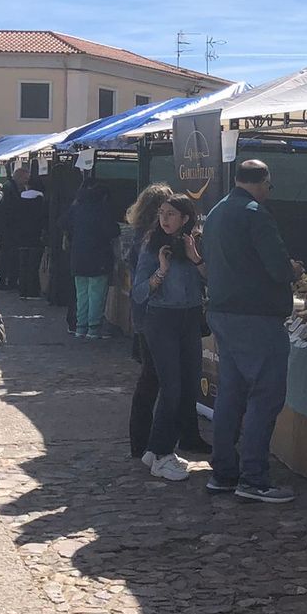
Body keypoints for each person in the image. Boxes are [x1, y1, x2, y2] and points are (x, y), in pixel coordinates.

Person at [204, 159, 299, 504]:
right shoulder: (256, 214)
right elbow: (277, 268)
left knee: (230, 394)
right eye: (269, 186)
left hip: (222, 313)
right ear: (263, 182)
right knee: (265, 395)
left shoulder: (216, 213)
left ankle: (223, 472)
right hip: (256, 317)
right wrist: (292, 269)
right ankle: (254, 478)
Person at [123, 185, 206, 460]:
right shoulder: (151, 245)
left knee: (189, 384)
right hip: (160, 319)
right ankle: (157, 450)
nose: (164, 219)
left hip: (190, 318)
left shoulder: (195, 242)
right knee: (167, 387)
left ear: (185, 218)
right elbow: (138, 292)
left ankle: (172, 443)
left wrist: (196, 259)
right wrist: (161, 272)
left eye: (171, 214)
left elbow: (212, 279)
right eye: (161, 213)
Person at [62, 175, 118, 339]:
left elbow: (63, 223)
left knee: (82, 294)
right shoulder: (102, 209)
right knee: (96, 293)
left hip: (78, 257)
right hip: (99, 258)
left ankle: (80, 327)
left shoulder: (77, 206)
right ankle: (94, 328)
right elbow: (113, 231)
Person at [9, 172, 48, 300]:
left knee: (23, 264)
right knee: (33, 265)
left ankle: (23, 290)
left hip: (21, 236)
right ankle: (33, 291)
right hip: (35, 236)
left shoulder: (19, 199)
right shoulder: (41, 199)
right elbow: (43, 219)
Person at [0, 165, 30, 290]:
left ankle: (9, 281)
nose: (27, 181)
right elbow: (10, 208)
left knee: (10, 256)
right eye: (25, 178)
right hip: (9, 228)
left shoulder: (11, 186)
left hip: (10, 228)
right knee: (8, 256)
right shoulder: (9, 188)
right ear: (19, 177)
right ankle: (5, 281)